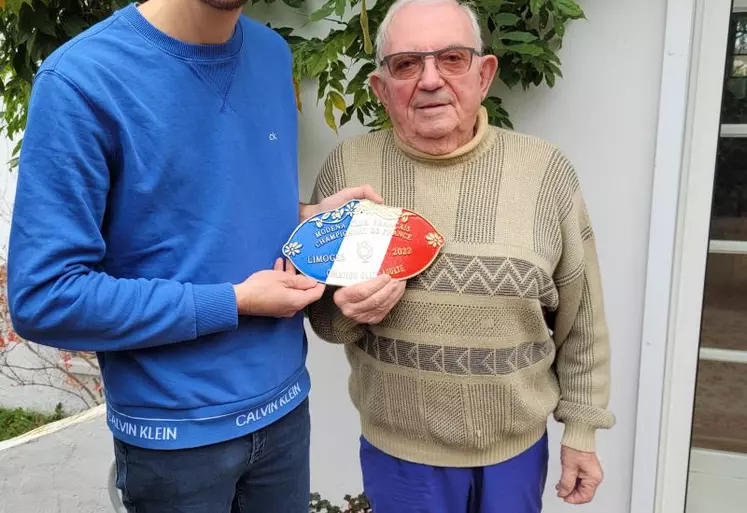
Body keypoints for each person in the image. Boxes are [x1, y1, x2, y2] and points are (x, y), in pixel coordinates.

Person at [5, 0, 382, 511]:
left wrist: (310, 215)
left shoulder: (271, 54)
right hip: (174, 439)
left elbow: (207, 210)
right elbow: (46, 298)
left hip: (286, 409)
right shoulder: (81, 80)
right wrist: (234, 302)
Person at [306, 0, 616, 511]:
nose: (430, 80)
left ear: (484, 74)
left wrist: (581, 429)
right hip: (400, 455)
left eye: (452, 58)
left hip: (514, 452)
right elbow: (321, 313)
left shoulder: (545, 173)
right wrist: (349, 312)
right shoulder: (349, 168)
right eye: (406, 64)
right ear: (382, 89)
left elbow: (582, 316)